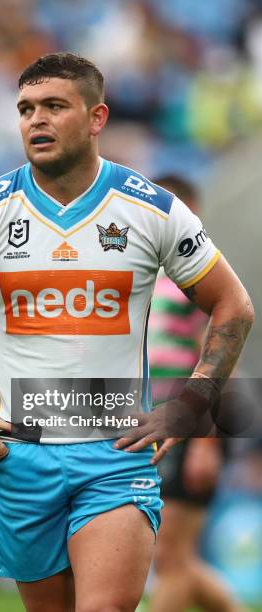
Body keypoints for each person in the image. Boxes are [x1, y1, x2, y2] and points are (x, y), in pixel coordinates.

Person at [0, 53, 254, 612]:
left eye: (55, 106)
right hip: (20, 456)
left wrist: (194, 402)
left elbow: (233, 305)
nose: (37, 120)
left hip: (116, 449)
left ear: (96, 117)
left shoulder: (151, 208)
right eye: (26, 109)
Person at [148, 176, 245, 612]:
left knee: (171, 556)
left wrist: (207, 442)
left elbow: (222, 359)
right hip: (156, 427)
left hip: (191, 432)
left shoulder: (198, 281)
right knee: (173, 557)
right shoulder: (148, 279)